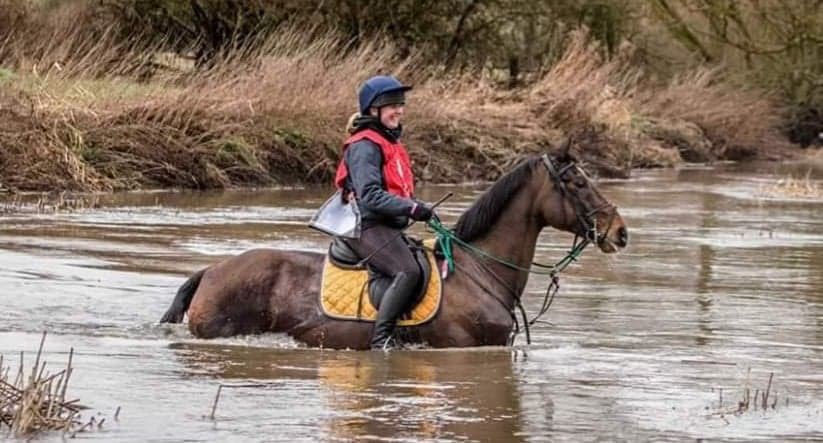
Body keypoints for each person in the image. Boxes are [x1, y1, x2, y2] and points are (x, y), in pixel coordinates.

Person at [333, 75, 434, 350]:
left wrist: (415, 210)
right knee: (408, 271)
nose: (398, 111)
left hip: (387, 226)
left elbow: (397, 192)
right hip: (364, 226)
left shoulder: (389, 143)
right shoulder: (364, 145)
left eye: (401, 105)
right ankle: (382, 340)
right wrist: (412, 207)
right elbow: (371, 196)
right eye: (391, 105)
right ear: (373, 110)